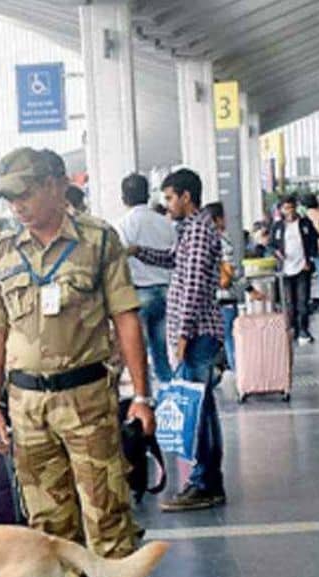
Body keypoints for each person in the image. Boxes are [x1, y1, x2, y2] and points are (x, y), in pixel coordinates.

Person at [0, 147, 155, 577]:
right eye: (9, 198)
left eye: (25, 193)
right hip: (27, 405)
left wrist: (141, 395)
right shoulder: (1, 252)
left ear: (57, 185)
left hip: (87, 398)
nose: (17, 206)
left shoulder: (98, 241)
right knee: (49, 527)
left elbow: (126, 319)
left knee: (106, 515)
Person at [130, 169, 227, 514]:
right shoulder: (191, 230)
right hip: (197, 333)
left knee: (196, 412)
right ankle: (208, 480)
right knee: (203, 410)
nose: (167, 204)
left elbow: (195, 287)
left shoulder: (199, 231)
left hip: (198, 334)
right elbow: (173, 260)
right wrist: (138, 251)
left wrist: (183, 334)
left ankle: (204, 483)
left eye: (170, 198)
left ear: (187, 197)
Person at [119, 172, 176, 384]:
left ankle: (145, 396)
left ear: (123, 198)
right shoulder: (166, 223)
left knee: (138, 354)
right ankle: (169, 392)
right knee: (161, 353)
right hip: (165, 291)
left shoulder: (123, 224)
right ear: (148, 195)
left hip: (139, 294)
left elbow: (120, 260)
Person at [270, 196, 319, 345]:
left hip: (302, 268)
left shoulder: (305, 223)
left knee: (303, 301)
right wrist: (277, 253)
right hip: (285, 269)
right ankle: (293, 329)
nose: (290, 211)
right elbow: (272, 245)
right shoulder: (277, 226)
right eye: (286, 208)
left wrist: (310, 259)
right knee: (289, 302)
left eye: (292, 207)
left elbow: (314, 241)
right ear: (281, 210)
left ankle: (304, 329)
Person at [209, 203, 244, 372]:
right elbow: (231, 270)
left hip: (214, 297)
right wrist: (248, 288)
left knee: (223, 337)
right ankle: (238, 371)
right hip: (225, 296)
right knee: (230, 337)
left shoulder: (206, 240)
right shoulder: (222, 240)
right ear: (218, 219)